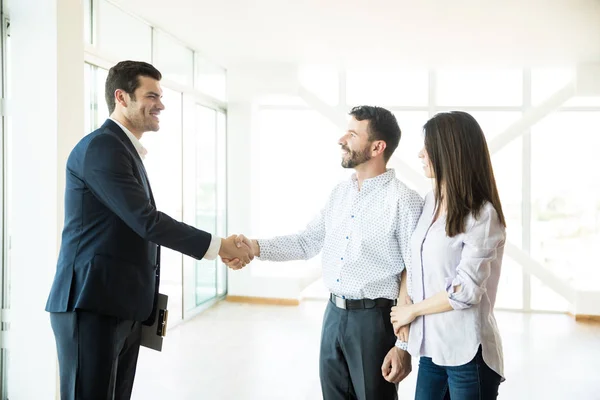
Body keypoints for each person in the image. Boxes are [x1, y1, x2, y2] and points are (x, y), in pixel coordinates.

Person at [45, 60, 253, 400]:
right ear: (121, 97)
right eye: (151, 95)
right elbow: (146, 220)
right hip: (90, 305)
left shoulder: (122, 149)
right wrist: (220, 246)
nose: (161, 104)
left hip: (119, 305)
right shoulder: (103, 147)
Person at [225, 106, 423, 400]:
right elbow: (307, 241)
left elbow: (415, 274)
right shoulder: (339, 194)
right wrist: (254, 247)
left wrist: (403, 345)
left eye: (353, 134)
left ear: (377, 147)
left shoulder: (404, 201)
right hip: (333, 315)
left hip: (374, 323)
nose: (341, 139)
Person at [390, 111, 506, 399]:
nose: (420, 153)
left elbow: (465, 291)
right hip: (431, 349)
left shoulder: (482, 215)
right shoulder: (430, 202)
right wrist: (405, 302)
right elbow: (412, 262)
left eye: (428, 148)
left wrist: (412, 311)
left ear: (450, 152)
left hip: (468, 354)